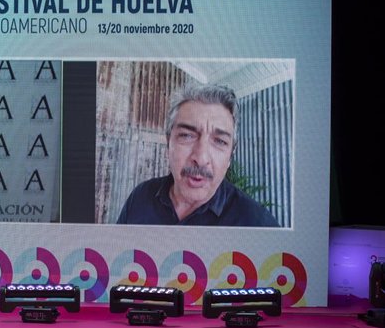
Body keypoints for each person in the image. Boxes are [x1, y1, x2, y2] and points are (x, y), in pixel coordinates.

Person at [116, 83, 279, 227]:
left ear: (230, 156)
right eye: (186, 135)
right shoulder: (140, 197)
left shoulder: (258, 225)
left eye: (220, 141)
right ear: (168, 143)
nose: (201, 159)